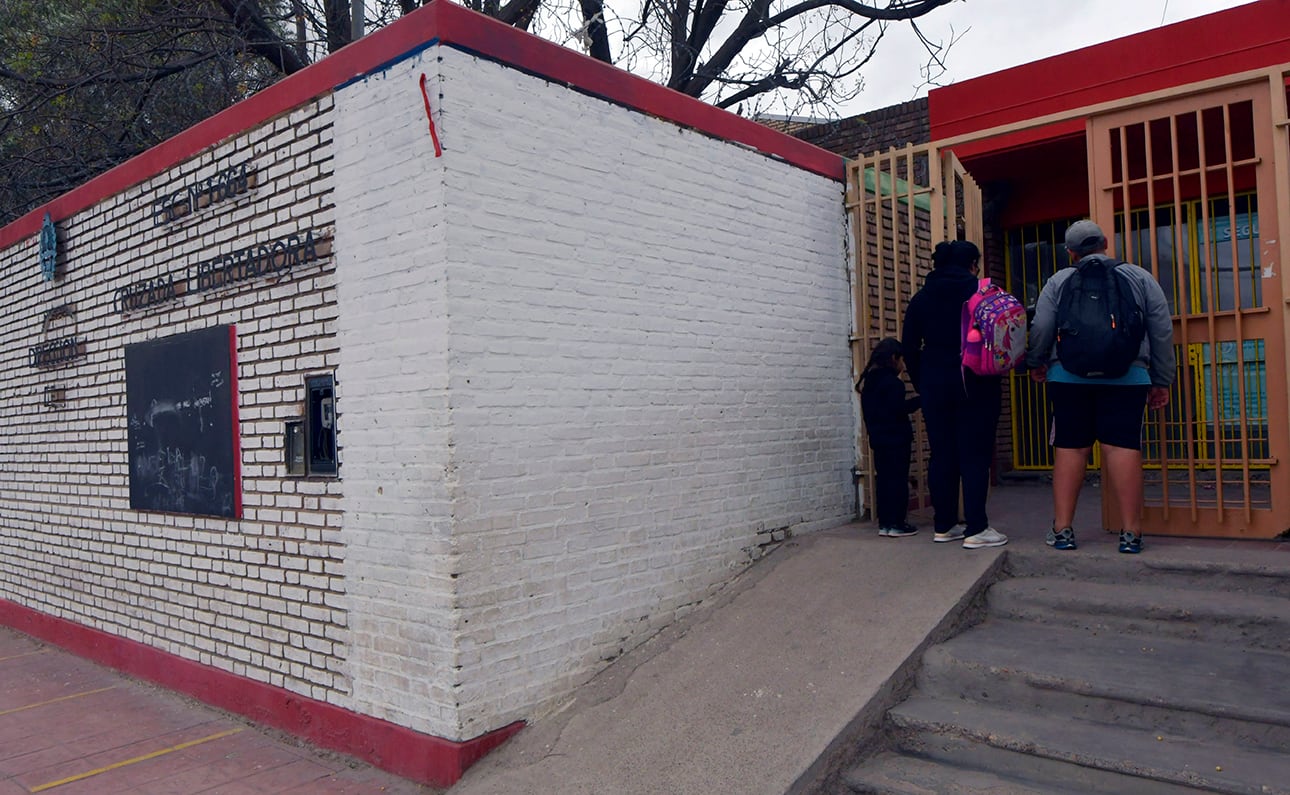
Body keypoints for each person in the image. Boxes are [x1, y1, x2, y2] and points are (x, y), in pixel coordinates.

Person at [1024, 219, 1175, 554]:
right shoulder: (1138, 277)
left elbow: (1043, 325)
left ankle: (1063, 530)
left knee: (1070, 447)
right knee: (1122, 447)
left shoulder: (1060, 280)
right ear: (1106, 242)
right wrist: (1161, 379)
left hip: (1068, 376)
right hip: (1128, 375)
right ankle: (1131, 533)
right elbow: (1161, 330)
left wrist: (1036, 362)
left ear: (1070, 252)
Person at [901, 240, 1009, 549]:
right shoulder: (981, 294)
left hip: (935, 383)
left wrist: (923, 381)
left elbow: (909, 346)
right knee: (974, 454)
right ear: (973, 264)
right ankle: (976, 528)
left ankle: (944, 525)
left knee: (942, 454)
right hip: (975, 381)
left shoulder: (921, 299)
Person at [857, 338, 921, 538]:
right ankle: (897, 523)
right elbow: (897, 410)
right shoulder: (893, 384)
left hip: (878, 440)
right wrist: (919, 401)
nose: (903, 366)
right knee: (898, 480)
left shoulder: (869, 382)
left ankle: (885, 523)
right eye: (901, 360)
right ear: (894, 358)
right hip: (896, 439)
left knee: (883, 480)